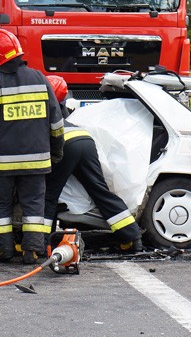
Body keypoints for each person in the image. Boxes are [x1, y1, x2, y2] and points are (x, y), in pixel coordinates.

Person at [0, 29, 64, 264]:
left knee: (0, 204)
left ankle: (4, 249)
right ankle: (31, 250)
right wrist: (56, 150)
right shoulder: (40, 79)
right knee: (34, 205)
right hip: (37, 160)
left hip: (2, 162)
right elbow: (56, 122)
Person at [43, 75, 143, 251]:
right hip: (84, 138)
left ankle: (41, 242)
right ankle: (132, 236)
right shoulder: (61, 106)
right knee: (100, 191)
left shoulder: (42, 105)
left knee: (48, 195)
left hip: (66, 143)